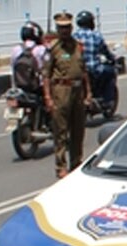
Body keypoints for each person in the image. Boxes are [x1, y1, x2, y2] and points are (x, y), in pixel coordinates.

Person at [42, 12, 92, 179]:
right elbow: (46, 75)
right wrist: (48, 98)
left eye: (67, 27)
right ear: (57, 29)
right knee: (61, 131)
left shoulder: (78, 46)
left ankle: (76, 162)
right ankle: (60, 166)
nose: (64, 31)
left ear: (71, 28)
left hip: (77, 91)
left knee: (78, 130)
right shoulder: (54, 48)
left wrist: (88, 92)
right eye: (61, 28)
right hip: (61, 92)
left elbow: (84, 71)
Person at [72, 11, 116, 108]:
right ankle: (107, 100)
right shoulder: (96, 35)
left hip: (77, 70)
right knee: (110, 72)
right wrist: (112, 59)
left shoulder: (74, 36)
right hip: (93, 69)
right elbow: (105, 51)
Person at [10, 21, 47, 95]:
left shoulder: (16, 49)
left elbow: (12, 67)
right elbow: (47, 67)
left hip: (20, 86)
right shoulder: (41, 49)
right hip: (38, 87)